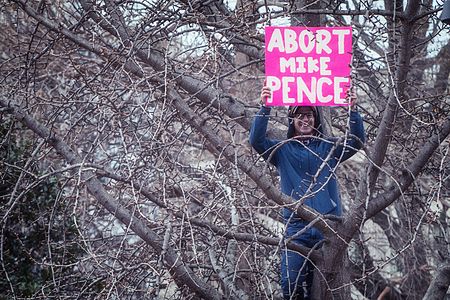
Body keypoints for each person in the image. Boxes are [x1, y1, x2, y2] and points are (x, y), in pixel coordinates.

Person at [249, 85, 366, 299]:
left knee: (323, 293)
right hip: (297, 230)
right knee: (290, 284)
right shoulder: (281, 150)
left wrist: (353, 110)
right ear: (291, 120)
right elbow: (256, 141)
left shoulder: (329, 147)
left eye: (309, 114)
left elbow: (357, 142)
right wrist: (265, 105)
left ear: (316, 118)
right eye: (299, 115)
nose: (305, 119)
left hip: (328, 229)